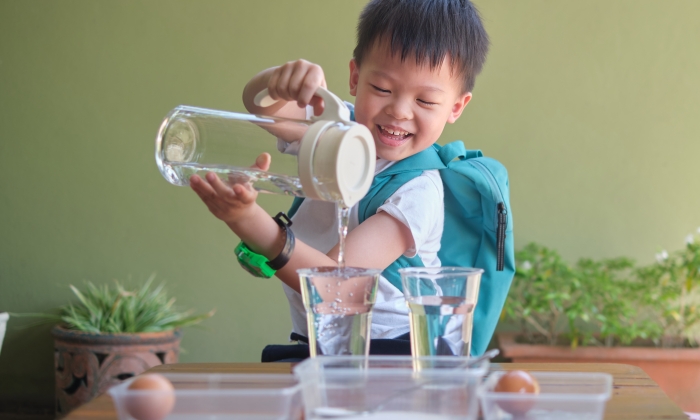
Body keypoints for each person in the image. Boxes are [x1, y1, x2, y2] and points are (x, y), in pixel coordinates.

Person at [189, 0, 490, 345]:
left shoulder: (419, 191)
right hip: (324, 341)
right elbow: (263, 109)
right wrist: (279, 82)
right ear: (355, 77)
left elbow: (336, 288)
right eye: (382, 89)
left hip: (398, 351)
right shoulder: (335, 129)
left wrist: (247, 220)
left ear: (455, 107)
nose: (399, 111)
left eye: (425, 101)